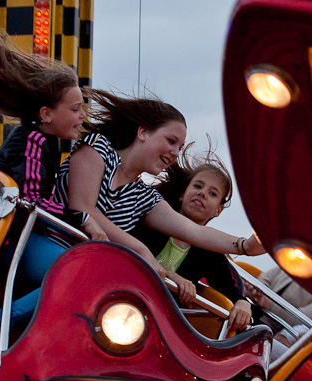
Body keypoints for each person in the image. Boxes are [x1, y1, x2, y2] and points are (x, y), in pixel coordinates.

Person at [0, 14, 106, 347]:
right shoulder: (32, 142)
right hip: (7, 241)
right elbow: (30, 201)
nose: (82, 116)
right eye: (75, 110)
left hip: (16, 237)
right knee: (78, 273)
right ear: (46, 114)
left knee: (83, 265)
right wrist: (81, 219)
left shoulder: (44, 141)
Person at [52, 88, 265, 277]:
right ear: (143, 132)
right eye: (171, 141)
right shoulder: (99, 148)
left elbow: (194, 231)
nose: (175, 153)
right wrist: (140, 249)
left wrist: (245, 246)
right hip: (53, 247)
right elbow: (82, 208)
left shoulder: (143, 196)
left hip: (88, 267)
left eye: (179, 148)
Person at [130, 152, 253, 333]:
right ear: (182, 194)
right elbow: (127, 250)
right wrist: (172, 277)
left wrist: (243, 303)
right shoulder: (151, 217)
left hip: (154, 321)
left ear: (218, 210)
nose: (202, 193)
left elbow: (229, 290)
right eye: (197, 186)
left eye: (212, 193)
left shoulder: (209, 251)